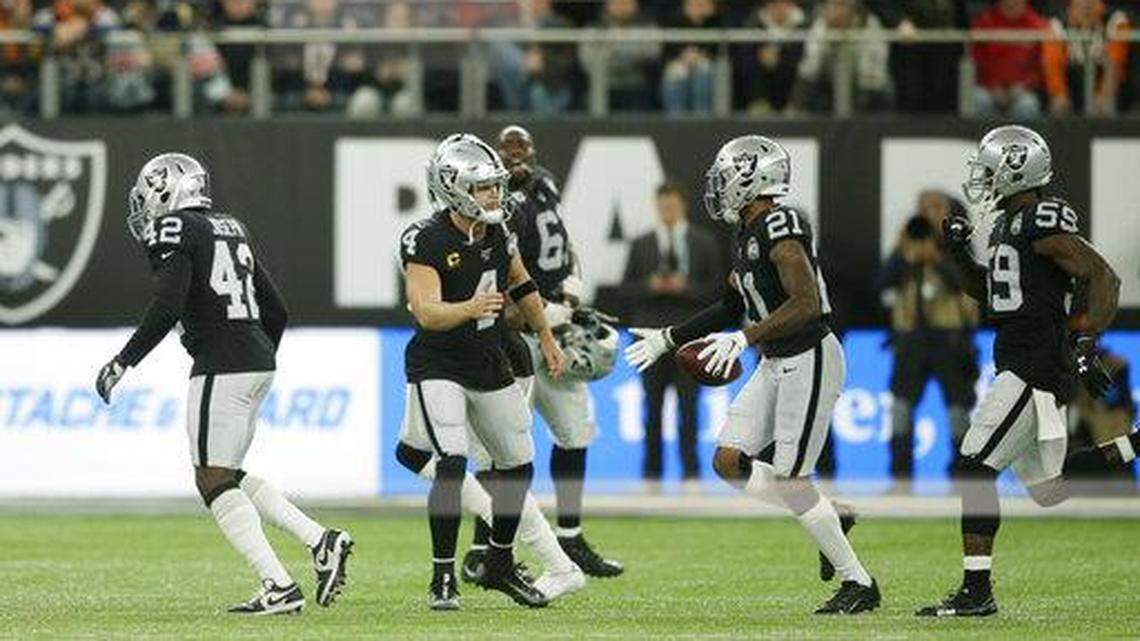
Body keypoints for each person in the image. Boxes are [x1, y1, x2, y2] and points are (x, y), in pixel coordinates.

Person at [625, 137, 879, 614]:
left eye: (725, 178)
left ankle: (859, 582)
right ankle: (831, 516)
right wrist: (669, 337)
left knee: (792, 479)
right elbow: (731, 304)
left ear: (751, 178)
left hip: (809, 356)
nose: (718, 188)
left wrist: (744, 338)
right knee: (727, 461)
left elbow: (806, 303)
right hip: (775, 360)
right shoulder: (746, 230)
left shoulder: (780, 224)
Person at [94, 154, 353, 615]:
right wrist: (257, 353)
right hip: (256, 359)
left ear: (163, 190)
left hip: (224, 361)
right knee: (227, 473)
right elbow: (277, 310)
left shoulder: (172, 229)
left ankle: (278, 585)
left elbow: (167, 305)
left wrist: (124, 361)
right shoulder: (230, 225)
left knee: (210, 477)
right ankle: (321, 541)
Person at [917, 125, 1139, 617]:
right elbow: (990, 294)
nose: (983, 177)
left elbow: (1103, 274)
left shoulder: (1039, 219)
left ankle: (977, 593)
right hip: (1023, 357)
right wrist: (957, 254)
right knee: (1049, 488)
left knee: (973, 469)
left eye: (991, 168)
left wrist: (1086, 342)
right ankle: (1136, 444)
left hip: (1032, 362)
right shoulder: (1006, 224)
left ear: (1016, 169)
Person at [397, 133, 566, 610]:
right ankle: (443, 577)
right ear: (452, 189)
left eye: (495, 186)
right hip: (438, 363)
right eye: (484, 188)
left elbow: (521, 280)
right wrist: (471, 306)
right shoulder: (425, 238)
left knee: (518, 465)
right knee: (451, 463)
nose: (495, 195)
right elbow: (426, 313)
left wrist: (547, 338)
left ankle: (498, 561)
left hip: (487, 358)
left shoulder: (497, 227)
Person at [461, 125, 623, 578]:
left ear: (532, 151)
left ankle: (569, 538)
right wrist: (542, 314)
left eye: (521, 148)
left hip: (556, 331)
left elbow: (564, 249)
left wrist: (571, 291)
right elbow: (496, 276)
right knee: (503, 447)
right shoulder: (496, 205)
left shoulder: (545, 183)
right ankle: (483, 548)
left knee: (574, 433)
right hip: (515, 337)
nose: (514, 156)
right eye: (506, 150)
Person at [621, 183, 721, 489]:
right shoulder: (641, 244)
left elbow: (719, 290)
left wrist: (685, 287)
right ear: (656, 206)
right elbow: (625, 289)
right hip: (649, 336)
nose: (667, 211)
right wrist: (651, 286)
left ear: (682, 205)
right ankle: (651, 476)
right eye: (662, 205)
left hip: (689, 334)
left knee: (689, 408)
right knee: (651, 409)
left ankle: (691, 474)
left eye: (672, 205)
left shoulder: (703, 242)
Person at [879, 193, 979, 487]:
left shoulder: (960, 245)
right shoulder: (907, 244)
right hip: (911, 338)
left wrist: (939, 258)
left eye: (937, 208)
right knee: (900, 407)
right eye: (925, 208)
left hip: (950, 338)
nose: (931, 214)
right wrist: (902, 253)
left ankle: (963, 477)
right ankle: (900, 478)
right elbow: (882, 284)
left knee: (958, 410)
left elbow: (970, 284)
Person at [791, 0, 893, 114]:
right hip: (829, 81)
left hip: (865, 83)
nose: (835, 10)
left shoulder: (869, 24)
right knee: (808, 86)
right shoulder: (821, 25)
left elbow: (873, 69)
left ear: (852, 9)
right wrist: (831, 34)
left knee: (882, 94)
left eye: (841, 5)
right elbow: (811, 66)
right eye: (832, 6)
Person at [1042, 0, 1131, 116]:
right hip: (1073, 85)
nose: (1086, 4)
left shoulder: (1116, 21)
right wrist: (1059, 93)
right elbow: (1052, 64)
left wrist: (1104, 94)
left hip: (1108, 85)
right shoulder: (1057, 24)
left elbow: (1117, 62)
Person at [970, 0, 1051, 119]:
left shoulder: (1039, 26)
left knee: (1028, 106)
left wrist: (1023, 86)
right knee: (978, 100)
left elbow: (1041, 68)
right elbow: (976, 62)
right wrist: (992, 86)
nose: (1012, 3)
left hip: (1022, 91)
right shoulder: (983, 23)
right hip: (989, 90)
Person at [582, 0, 661, 111]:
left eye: (626, 3)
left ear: (635, 5)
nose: (622, 7)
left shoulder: (647, 26)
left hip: (637, 85)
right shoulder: (594, 28)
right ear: (607, 5)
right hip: (604, 85)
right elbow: (588, 62)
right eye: (617, 3)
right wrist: (630, 57)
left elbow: (652, 53)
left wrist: (612, 55)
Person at [734, 0, 807, 116]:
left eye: (783, 4)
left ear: (791, 5)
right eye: (775, 5)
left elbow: (805, 58)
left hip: (790, 83)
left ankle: (793, 104)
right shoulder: (754, 23)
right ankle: (759, 102)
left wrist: (780, 58)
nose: (779, 9)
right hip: (761, 84)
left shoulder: (805, 25)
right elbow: (743, 57)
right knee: (749, 64)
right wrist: (761, 56)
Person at [659, 0, 721, 115]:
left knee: (703, 74)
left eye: (701, 5)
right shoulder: (675, 21)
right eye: (693, 5)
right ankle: (675, 118)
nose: (698, 9)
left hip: (709, 64)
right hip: (680, 62)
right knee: (675, 73)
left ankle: (702, 117)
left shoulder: (717, 21)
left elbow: (721, 49)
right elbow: (668, 50)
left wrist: (700, 55)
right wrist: (685, 56)